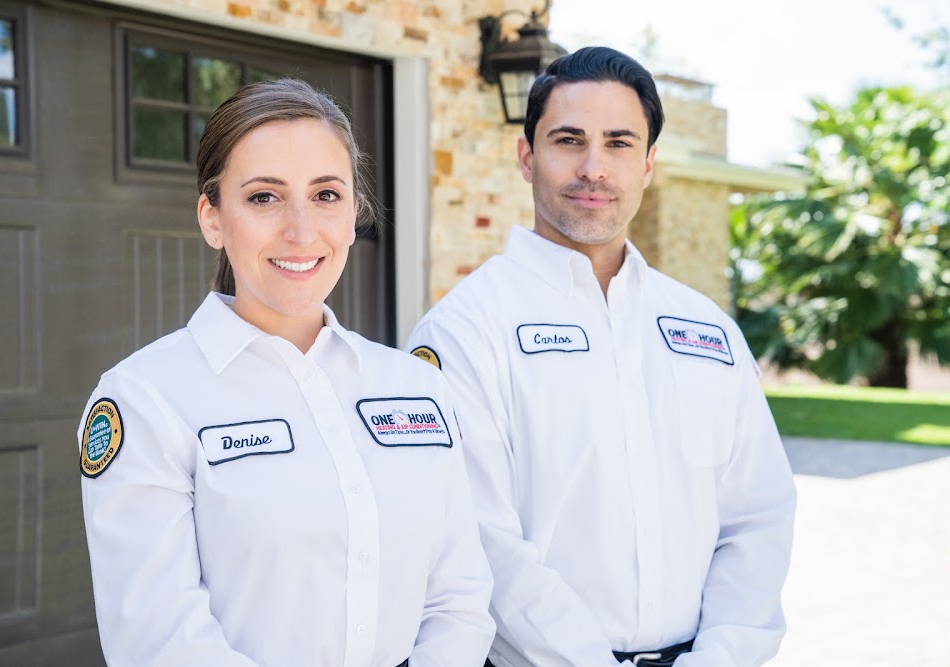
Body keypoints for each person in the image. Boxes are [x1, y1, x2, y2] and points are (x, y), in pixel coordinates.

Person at [78, 78, 495, 667]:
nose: (302, 231)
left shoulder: (416, 387)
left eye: (326, 195)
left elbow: (459, 597)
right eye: (264, 197)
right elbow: (159, 638)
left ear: (354, 215)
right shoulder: (147, 400)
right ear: (213, 218)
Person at [406, 47, 797, 667]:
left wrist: (721, 656)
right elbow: (479, 539)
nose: (594, 168)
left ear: (647, 164)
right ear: (527, 157)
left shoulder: (708, 332)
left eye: (619, 143)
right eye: (569, 140)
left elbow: (758, 515)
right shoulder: (464, 330)